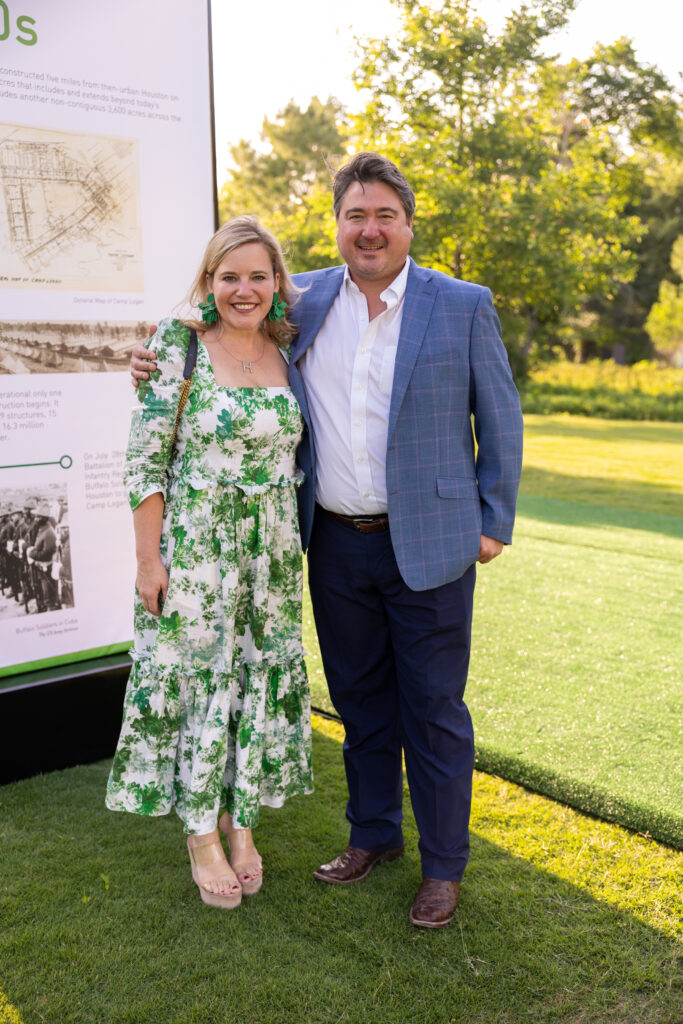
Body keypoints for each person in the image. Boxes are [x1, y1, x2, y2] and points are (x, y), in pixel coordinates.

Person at [131, 153, 523, 928]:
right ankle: (372, 836)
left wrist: (490, 522)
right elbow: (214, 336)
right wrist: (148, 358)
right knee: (360, 702)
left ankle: (443, 867)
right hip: (331, 543)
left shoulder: (462, 304)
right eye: (355, 216)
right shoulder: (299, 296)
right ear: (336, 225)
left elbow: (500, 417)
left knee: (434, 709)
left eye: (384, 215)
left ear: (407, 223)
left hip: (435, 542)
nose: (369, 229)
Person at [109, 216, 313, 910]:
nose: (244, 289)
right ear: (208, 282)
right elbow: (145, 460)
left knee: (255, 682)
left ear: (277, 283)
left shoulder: (294, 349)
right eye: (230, 276)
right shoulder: (177, 347)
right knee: (200, 684)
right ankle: (201, 834)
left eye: (258, 275)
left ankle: (241, 821)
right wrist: (147, 562)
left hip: (273, 559)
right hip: (197, 553)